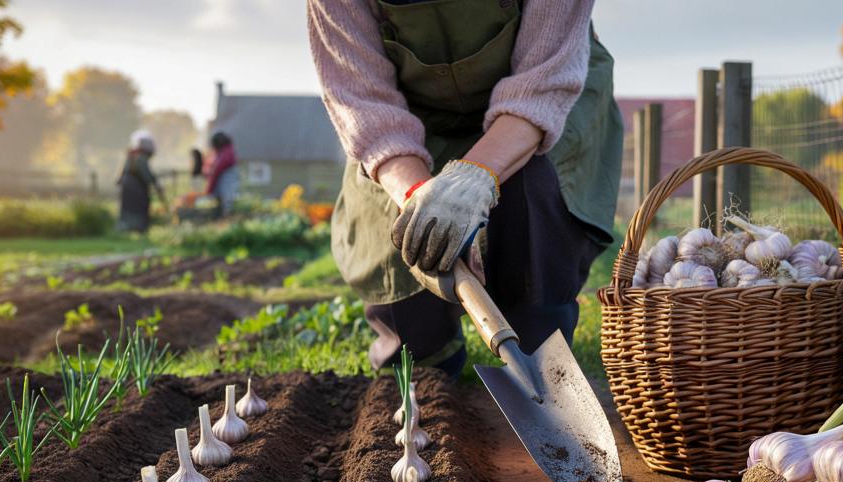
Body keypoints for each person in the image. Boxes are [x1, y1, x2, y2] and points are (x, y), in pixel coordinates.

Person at [307, 0, 623, 375]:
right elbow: (364, 103)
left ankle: (538, 362)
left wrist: (473, 179)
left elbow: (540, 88)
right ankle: (429, 363)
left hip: (543, 92)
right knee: (408, 296)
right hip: (412, 112)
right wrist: (420, 201)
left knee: (533, 204)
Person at [116, 130, 165, 233]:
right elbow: (148, 175)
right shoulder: (139, 158)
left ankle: (128, 228)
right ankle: (138, 228)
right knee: (139, 207)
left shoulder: (131, 156)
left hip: (127, 187)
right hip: (136, 188)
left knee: (128, 208)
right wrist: (156, 185)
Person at [204, 131, 239, 216]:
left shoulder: (225, 155)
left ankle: (225, 217)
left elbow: (215, 172)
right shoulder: (227, 152)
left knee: (226, 203)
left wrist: (209, 190)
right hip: (227, 187)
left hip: (227, 186)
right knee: (226, 201)